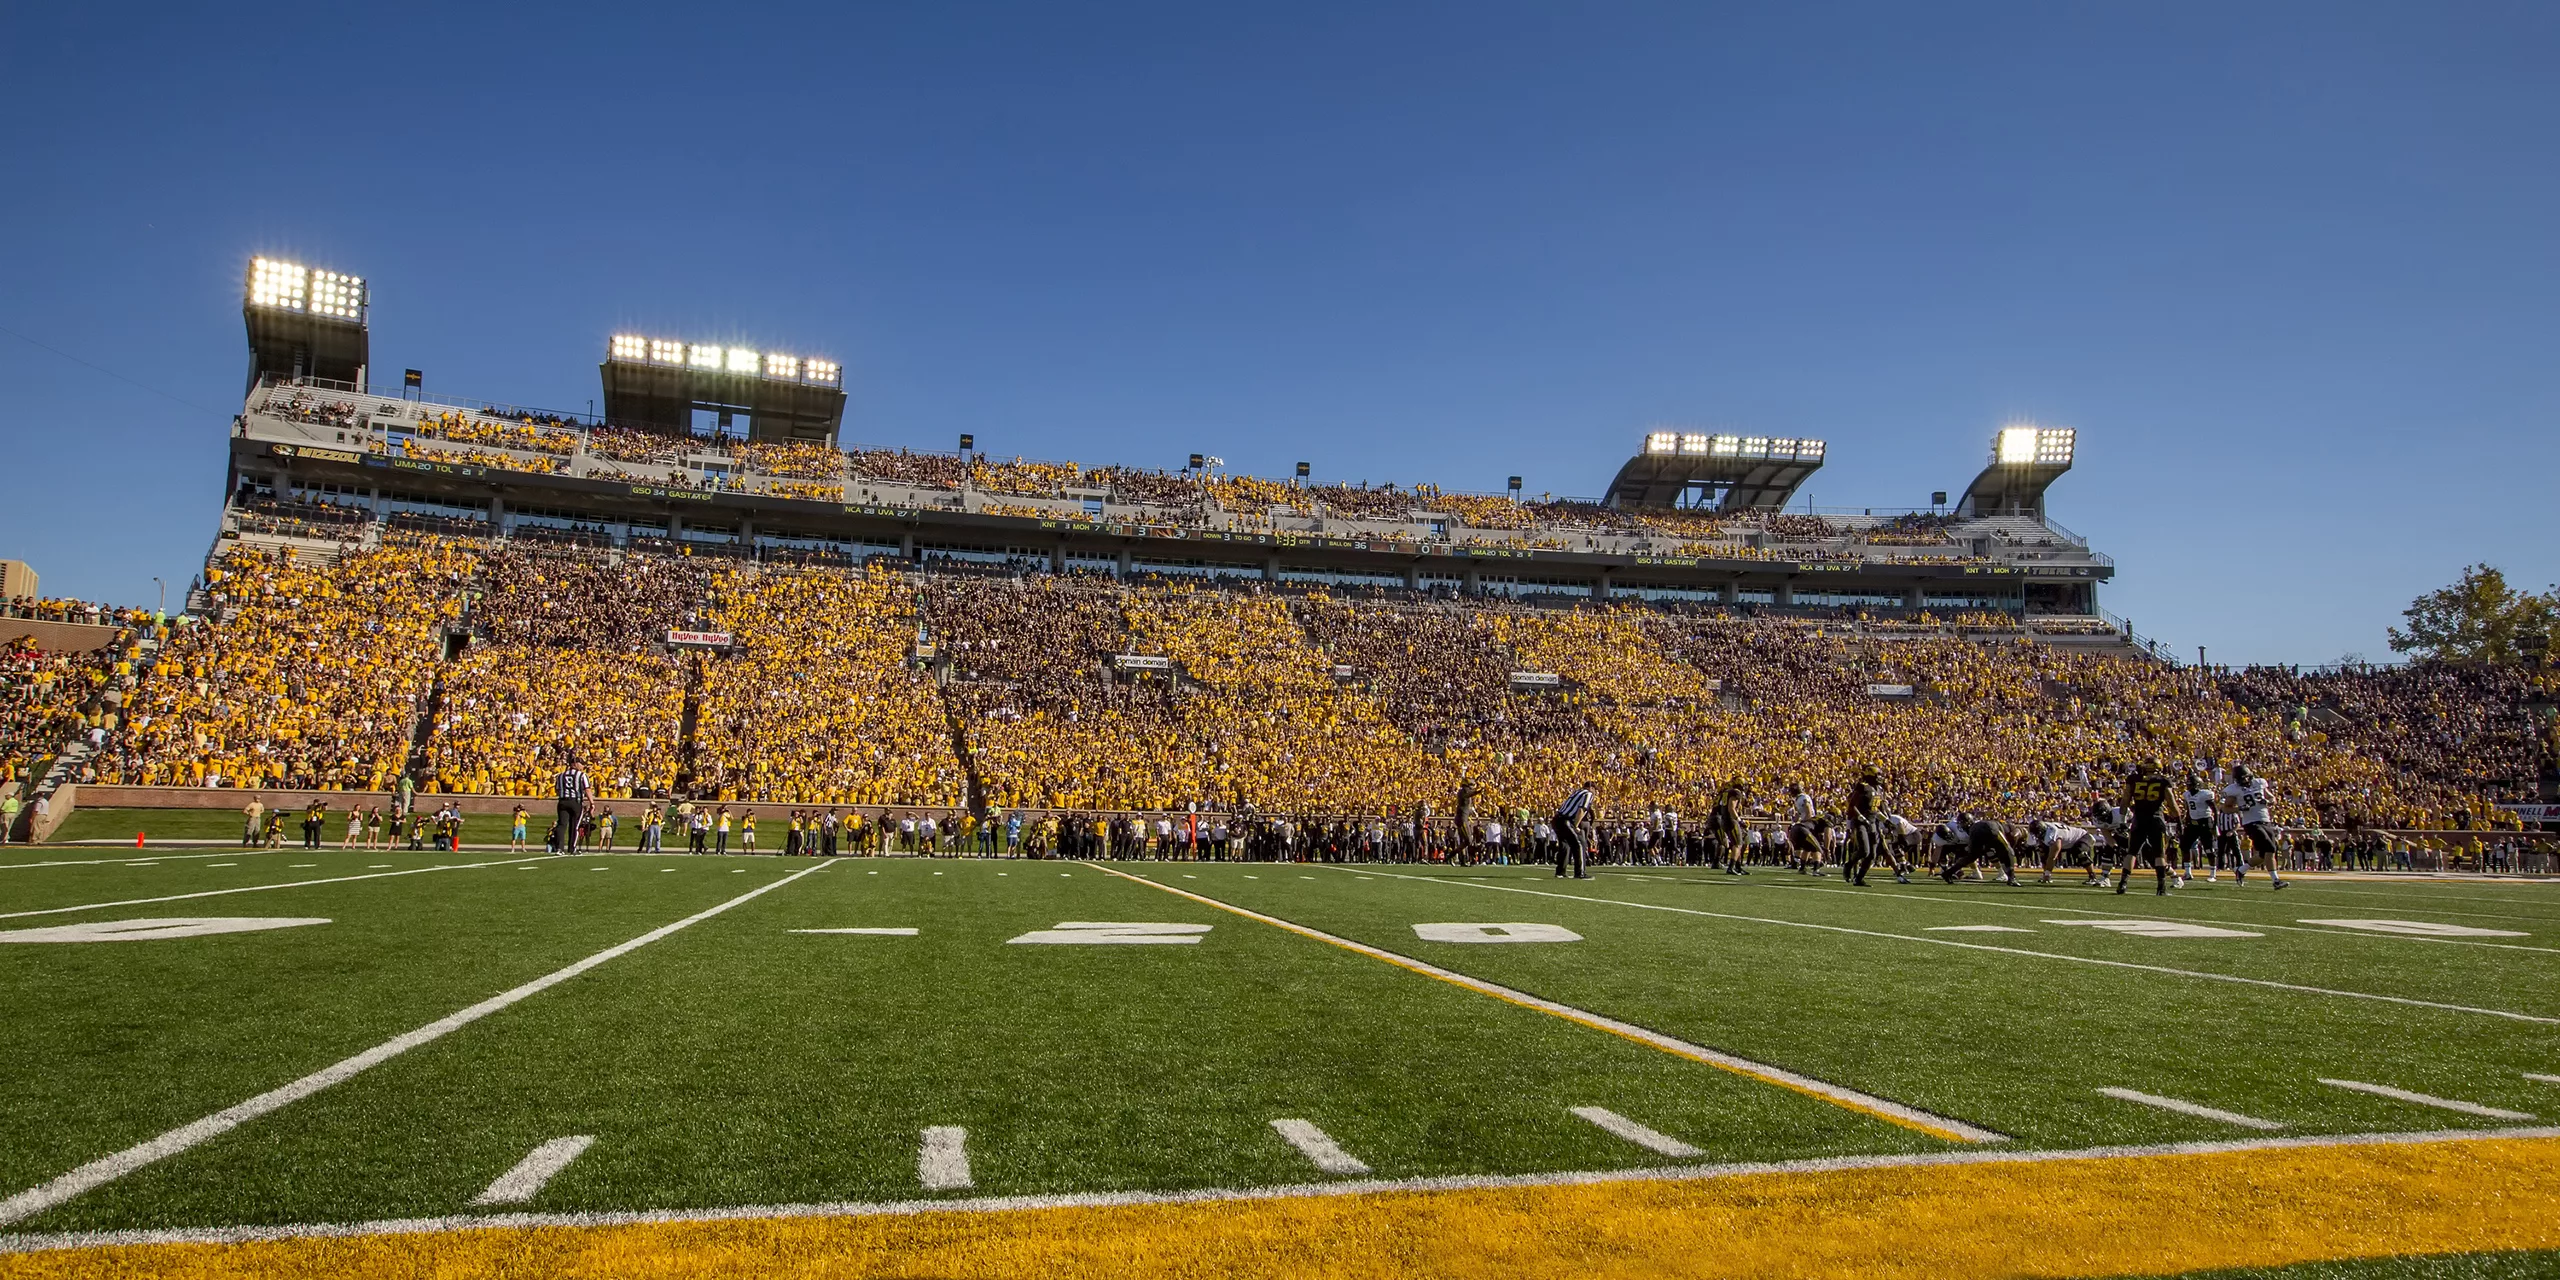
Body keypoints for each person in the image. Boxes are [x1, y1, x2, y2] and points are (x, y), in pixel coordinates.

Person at [2222, 764, 2289, 890]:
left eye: (2245, 778)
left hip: (2265, 820)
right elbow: (2225, 808)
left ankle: (2241, 870)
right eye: (2241, 778)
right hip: (2250, 822)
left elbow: (2272, 798)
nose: (2244, 781)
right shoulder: (2234, 789)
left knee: (2264, 855)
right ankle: (2276, 880)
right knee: (2270, 848)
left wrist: (2269, 801)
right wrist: (2239, 808)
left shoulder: (2259, 783)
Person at [2117, 759, 2177, 896]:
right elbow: (2172, 803)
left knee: (2131, 852)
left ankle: (2123, 883)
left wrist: (2122, 820)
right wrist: (2178, 819)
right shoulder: (2163, 781)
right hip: (2156, 819)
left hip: (2138, 819)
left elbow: (2125, 800)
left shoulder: (2134, 779)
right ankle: (2161, 888)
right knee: (2159, 854)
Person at [1940, 811, 2020, 885]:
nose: (1962, 825)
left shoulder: (1972, 827)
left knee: (1971, 857)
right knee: (2009, 851)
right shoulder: (2007, 827)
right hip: (1991, 829)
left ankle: (1948, 873)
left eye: (1963, 823)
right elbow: (2009, 839)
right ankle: (2012, 878)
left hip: (1979, 832)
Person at [1554, 779, 1596, 879]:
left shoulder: (1577, 792)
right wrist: (1576, 825)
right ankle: (1580, 873)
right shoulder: (1588, 794)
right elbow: (1581, 809)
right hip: (1566, 820)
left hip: (1557, 819)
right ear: (1591, 788)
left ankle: (1560, 871)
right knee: (1580, 843)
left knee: (1565, 845)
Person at [553, 752, 594, 857]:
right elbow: (587, 789)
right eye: (581, 763)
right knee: (574, 826)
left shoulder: (561, 775)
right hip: (575, 801)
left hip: (562, 801)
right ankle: (572, 848)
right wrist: (592, 803)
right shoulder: (582, 775)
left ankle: (559, 848)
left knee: (562, 825)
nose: (583, 766)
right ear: (575, 764)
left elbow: (557, 790)